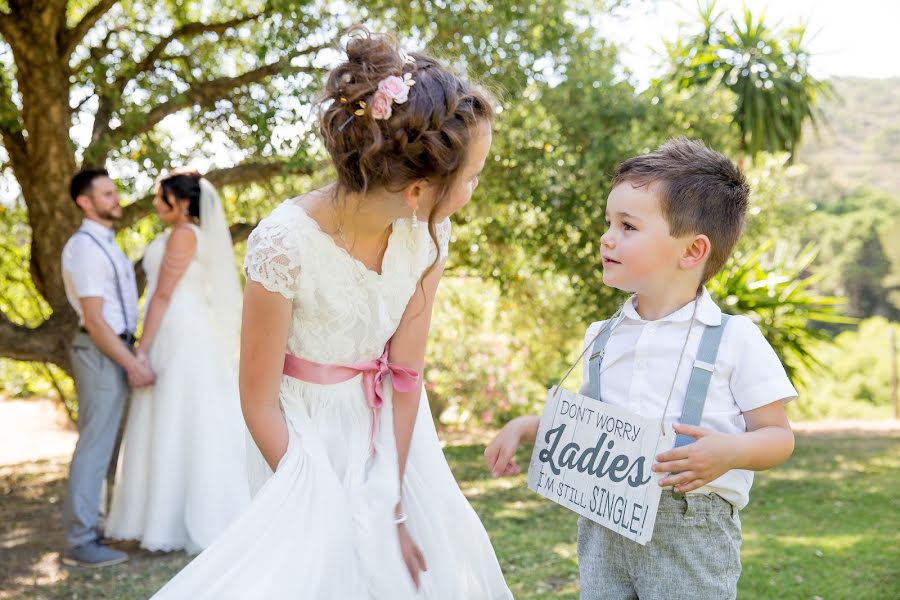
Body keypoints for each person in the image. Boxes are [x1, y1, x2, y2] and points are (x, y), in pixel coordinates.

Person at [150, 27, 512, 599]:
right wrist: (308, 488)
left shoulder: (429, 236)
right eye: (471, 177)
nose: (472, 189)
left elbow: (405, 371)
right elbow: (257, 397)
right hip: (300, 435)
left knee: (413, 568)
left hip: (394, 430)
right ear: (418, 188)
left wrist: (390, 491)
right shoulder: (283, 243)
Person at [485, 138, 797, 599]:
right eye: (609, 223)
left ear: (692, 252)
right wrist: (528, 426)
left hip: (689, 530)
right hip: (603, 525)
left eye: (628, 226)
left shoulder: (733, 337)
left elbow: (779, 437)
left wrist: (729, 452)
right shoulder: (602, 335)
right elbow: (593, 424)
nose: (607, 237)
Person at [105, 171, 250, 553]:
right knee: (170, 418)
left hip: (179, 331)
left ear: (183, 203)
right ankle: (155, 514)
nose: (155, 203)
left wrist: (142, 347)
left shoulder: (185, 235)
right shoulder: (181, 234)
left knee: (179, 416)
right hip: (177, 327)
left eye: (161, 197)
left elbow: (163, 295)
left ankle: (184, 516)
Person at [61, 168, 153, 567]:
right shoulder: (83, 248)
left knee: (104, 445)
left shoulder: (105, 243)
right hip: (101, 351)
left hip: (112, 349)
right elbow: (96, 320)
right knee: (95, 444)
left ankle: (94, 529)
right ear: (86, 201)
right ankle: (81, 540)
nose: (117, 199)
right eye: (108, 193)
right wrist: (130, 362)